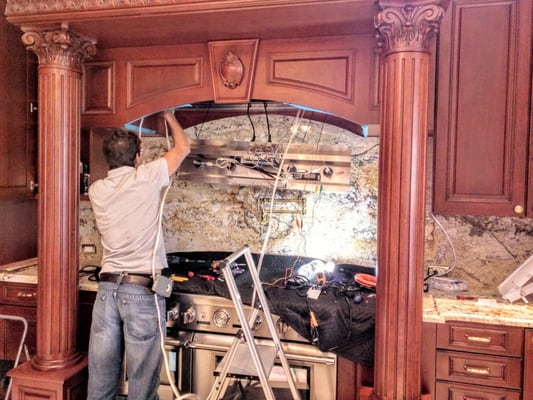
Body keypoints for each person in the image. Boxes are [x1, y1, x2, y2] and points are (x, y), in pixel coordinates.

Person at [87, 110, 190, 400]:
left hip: (107, 292)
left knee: (100, 383)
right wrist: (169, 115)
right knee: (142, 386)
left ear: (108, 157)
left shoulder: (97, 190)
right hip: (141, 293)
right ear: (139, 154)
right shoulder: (146, 177)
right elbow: (183, 147)